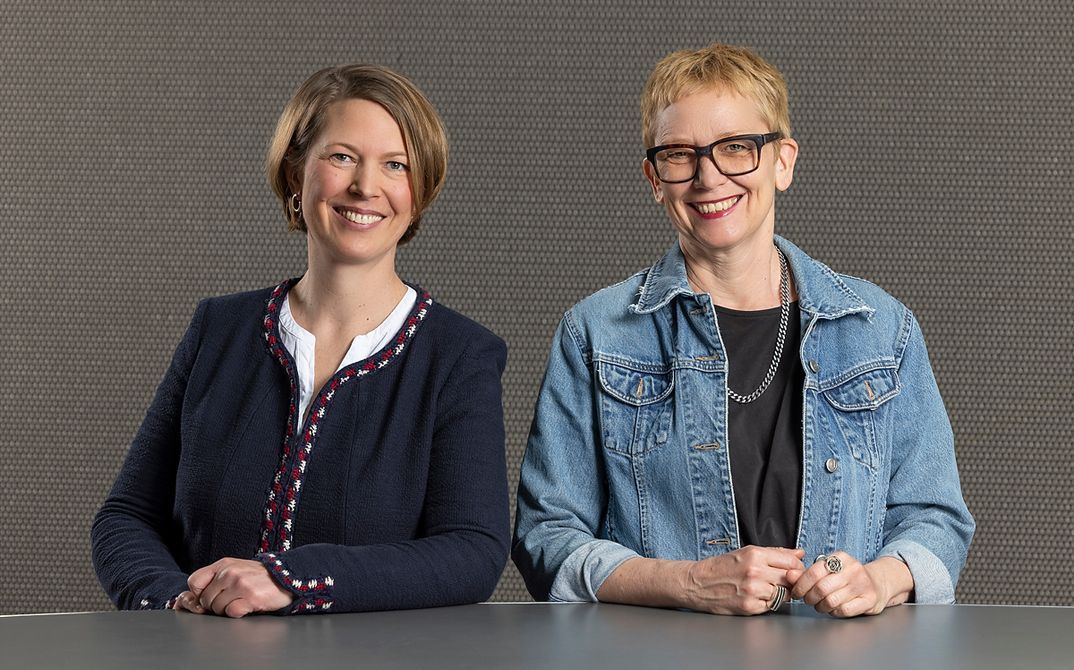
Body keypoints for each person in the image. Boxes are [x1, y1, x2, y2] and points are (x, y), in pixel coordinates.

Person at [512, 44, 974, 617]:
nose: (708, 177)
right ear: (654, 178)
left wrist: (881, 580)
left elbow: (936, 519)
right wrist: (685, 583)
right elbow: (546, 537)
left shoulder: (880, 330)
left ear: (782, 161)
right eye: (680, 155)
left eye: (736, 148)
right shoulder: (595, 333)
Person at [92, 64, 510, 617]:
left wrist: (289, 580)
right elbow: (126, 516)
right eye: (342, 157)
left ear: (419, 190)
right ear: (296, 171)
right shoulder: (218, 330)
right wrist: (176, 600)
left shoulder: (459, 356)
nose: (366, 185)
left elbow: (472, 551)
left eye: (396, 165)